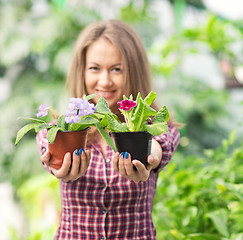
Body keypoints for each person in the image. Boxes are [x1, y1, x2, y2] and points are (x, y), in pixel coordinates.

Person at [37, 19, 180, 240]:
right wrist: (57, 165)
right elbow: (48, 146)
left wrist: (148, 156)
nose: (104, 81)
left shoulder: (155, 125)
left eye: (116, 69)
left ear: (134, 72)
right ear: (81, 71)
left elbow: (160, 144)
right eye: (95, 68)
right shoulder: (62, 129)